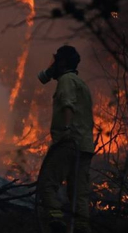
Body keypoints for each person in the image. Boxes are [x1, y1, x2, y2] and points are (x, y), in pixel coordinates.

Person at [36, 45, 95, 233]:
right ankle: (82, 227)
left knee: (47, 183)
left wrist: (66, 130)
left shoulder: (67, 80)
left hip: (69, 142)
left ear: (61, 63)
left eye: (55, 61)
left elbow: (67, 104)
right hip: (84, 145)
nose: (52, 65)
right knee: (79, 192)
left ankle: (56, 220)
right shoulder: (81, 84)